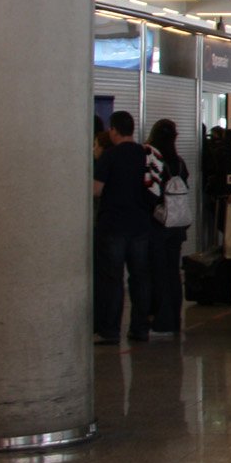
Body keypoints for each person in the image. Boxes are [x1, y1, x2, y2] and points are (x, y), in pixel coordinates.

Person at [92, 111, 158, 344]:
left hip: (113, 225)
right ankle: (140, 328)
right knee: (140, 277)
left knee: (112, 278)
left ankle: (109, 330)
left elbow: (96, 190)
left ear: (114, 130)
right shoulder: (145, 154)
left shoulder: (109, 156)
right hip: (140, 225)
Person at [143, 118, 189, 340]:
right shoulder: (179, 162)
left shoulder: (154, 159)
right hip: (177, 224)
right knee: (173, 273)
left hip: (159, 223)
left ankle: (161, 323)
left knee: (158, 273)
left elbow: (149, 189)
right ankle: (174, 321)